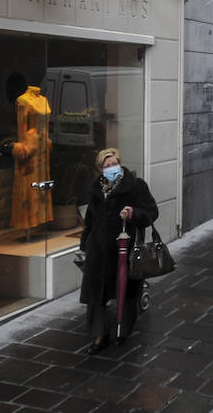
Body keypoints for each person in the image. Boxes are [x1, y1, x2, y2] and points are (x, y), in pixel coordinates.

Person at [77, 147, 158, 354]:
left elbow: (151, 212)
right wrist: (84, 247)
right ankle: (99, 336)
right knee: (96, 294)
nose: (111, 168)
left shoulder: (135, 186)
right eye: (106, 166)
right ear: (100, 169)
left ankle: (123, 330)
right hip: (98, 250)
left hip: (124, 249)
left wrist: (133, 213)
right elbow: (90, 221)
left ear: (120, 163)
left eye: (114, 164)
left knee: (127, 291)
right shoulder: (96, 188)